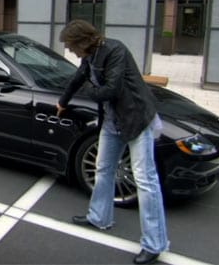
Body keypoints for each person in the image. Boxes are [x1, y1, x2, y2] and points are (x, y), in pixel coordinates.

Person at [56, 20, 168, 265]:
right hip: (111, 121)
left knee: (145, 180)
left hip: (136, 118)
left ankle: (154, 243)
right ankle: (99, 217)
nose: (71, 52)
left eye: (72, 46)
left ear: (83, 42)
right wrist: (63, 102)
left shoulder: (115, 50)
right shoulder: (90, 56)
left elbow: (111, 90)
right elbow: (77, 78)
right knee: (103, 169)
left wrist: (87, 87)